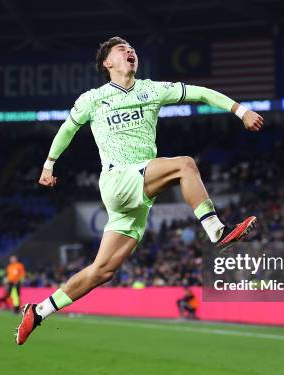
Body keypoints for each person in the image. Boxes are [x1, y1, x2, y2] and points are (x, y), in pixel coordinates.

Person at [16, 36, 264, 345]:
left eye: (132, 48)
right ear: (108, 63)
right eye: (121, 50)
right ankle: (216, 231)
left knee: (101, 271)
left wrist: (239, 110)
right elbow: (68, 128)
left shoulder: (152, 89)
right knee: (185, 165)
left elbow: (199, 93)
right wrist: (49, 164)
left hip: (137, 195)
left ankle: (38, 311)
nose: (130, 51)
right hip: (119, 179)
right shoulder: (93, 98)